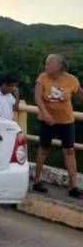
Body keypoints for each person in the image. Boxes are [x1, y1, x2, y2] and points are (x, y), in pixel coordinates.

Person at [32, 54, 83, 198]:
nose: (46, 66)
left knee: (69, 151)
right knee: (43, 149)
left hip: (66, 121)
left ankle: (73, 186)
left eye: (49, 64)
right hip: (47, 120)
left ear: (59, 66)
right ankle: (37, 180)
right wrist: (45, 114)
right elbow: (37, 97)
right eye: (46, 64)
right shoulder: (42, 78)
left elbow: (80, 94)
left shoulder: (72, 80)